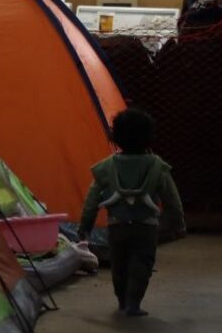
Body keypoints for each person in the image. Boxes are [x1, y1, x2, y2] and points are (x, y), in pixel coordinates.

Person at [78, 109, 185, 317]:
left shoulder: (106, 167)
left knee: (119, 264)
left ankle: (121, 300)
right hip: (146, 227)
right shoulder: (157, 167)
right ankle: (134, 303)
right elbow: (173, 199)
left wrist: (85, 226)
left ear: (115, 138)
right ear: (150, 138)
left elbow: (92, 200)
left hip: (116, 226)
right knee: (142, 263)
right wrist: (177, 224)